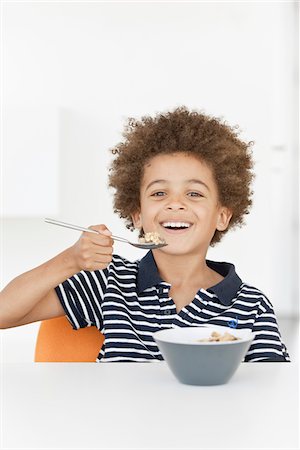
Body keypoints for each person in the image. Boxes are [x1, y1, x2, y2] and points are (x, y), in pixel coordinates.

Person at [0, 106, 290, 362]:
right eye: (159, 192)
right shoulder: (108, 284)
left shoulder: (251, 305)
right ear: (138, 214)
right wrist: (70, 261)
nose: (175, 203)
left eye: (194, 193)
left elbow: (270, 393)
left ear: (222, 215)